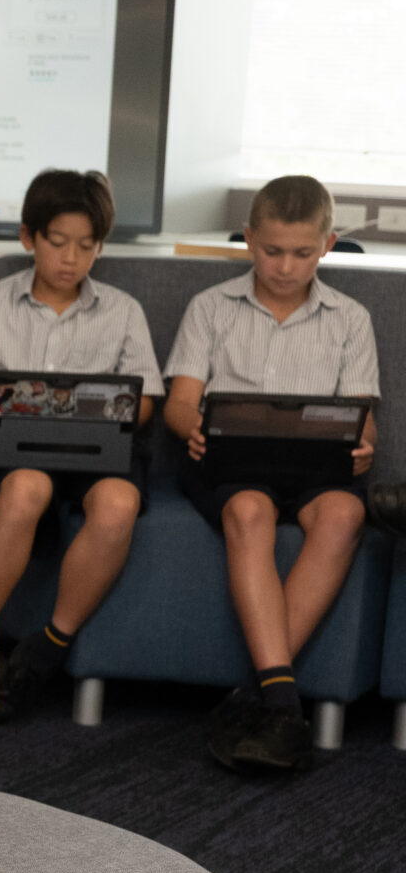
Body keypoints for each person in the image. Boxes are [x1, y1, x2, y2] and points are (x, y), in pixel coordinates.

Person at [162, 174, 377, 772]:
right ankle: (282, 702)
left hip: (311, 464)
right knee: (250, 510)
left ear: (328, 245)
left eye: (303, 253)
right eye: (272, 251)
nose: (285, 266)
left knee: (345, 512)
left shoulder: (349, 318)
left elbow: (363, 419)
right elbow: (181, 403)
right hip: (228, 462)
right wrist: (192, 427)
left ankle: (255, 695)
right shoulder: (211, 307)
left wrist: (362, 446)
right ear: (250, 240)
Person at [0, 169, 162, 720]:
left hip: (100, 450)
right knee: (23, 490)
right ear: (28, 237)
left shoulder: (122, 310)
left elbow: (145, 403)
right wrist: (20, 408)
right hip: (19, 447)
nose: (71, 258)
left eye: (86, 246)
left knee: (119, 503)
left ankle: (46, 648)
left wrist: (92, 410)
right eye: (58, 242)